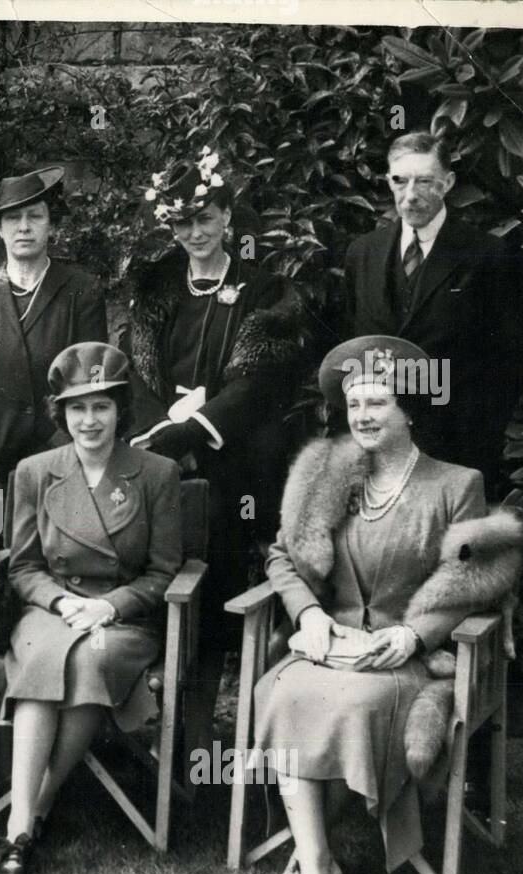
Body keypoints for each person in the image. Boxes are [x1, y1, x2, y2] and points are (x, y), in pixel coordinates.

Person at [252, 336, 523, 874]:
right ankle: (322, 868)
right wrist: (309, 615)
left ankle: (307, 858)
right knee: (284, 692)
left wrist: (416, 636)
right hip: (333, 643)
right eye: (355, 406)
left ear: (409, 409)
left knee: (356, 706)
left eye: (378, 402)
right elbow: (281, 557)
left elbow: (472, 578)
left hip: (401, 658)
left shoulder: (455, 484)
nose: (364, 417)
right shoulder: (330, 474)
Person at [118, 147, 308, 751]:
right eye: (182, 223)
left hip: (233, 461)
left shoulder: (265, 289)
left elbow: (256, 381)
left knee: (217, 588)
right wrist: (160, 437)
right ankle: (134, 716)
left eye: (206, 218)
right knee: (150, 576)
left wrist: (196, 434)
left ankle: (197, 734)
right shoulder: (157, 286)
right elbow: (138, 371)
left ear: (228, 217)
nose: (195, 233)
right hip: (158, 459)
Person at [0, 343, 182, 874]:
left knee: (90, 664)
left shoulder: (156, 472)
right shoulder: (34, 472)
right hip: (52, 607)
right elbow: (24, 566)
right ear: (62, 413)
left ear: (121, 410)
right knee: (43, 657)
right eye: (77, 408)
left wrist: (109, 605)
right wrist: (60, 602)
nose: (89, 420)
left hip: (122, 617)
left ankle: (31, 813)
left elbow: (164, 570)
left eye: (101, 406)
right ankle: (21, 822)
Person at [0, 166, 107, 643]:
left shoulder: (79, 290)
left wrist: (56, 457)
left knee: (49, 579)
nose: (25, 227)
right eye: (14, 219)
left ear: (52, 224)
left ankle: (41, 680)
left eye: (35, 216)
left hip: (59, 464)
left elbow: (88, 380)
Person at [343, 131, 523, 487]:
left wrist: (477, 441)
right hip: (379, 454)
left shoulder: (486, 255)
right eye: (400, 181)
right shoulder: (362, 253)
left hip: (457, 450)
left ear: (448, 183)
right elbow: (352, 341)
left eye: (425, 181)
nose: (410, 195)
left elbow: (509, 362)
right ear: (388, 181)